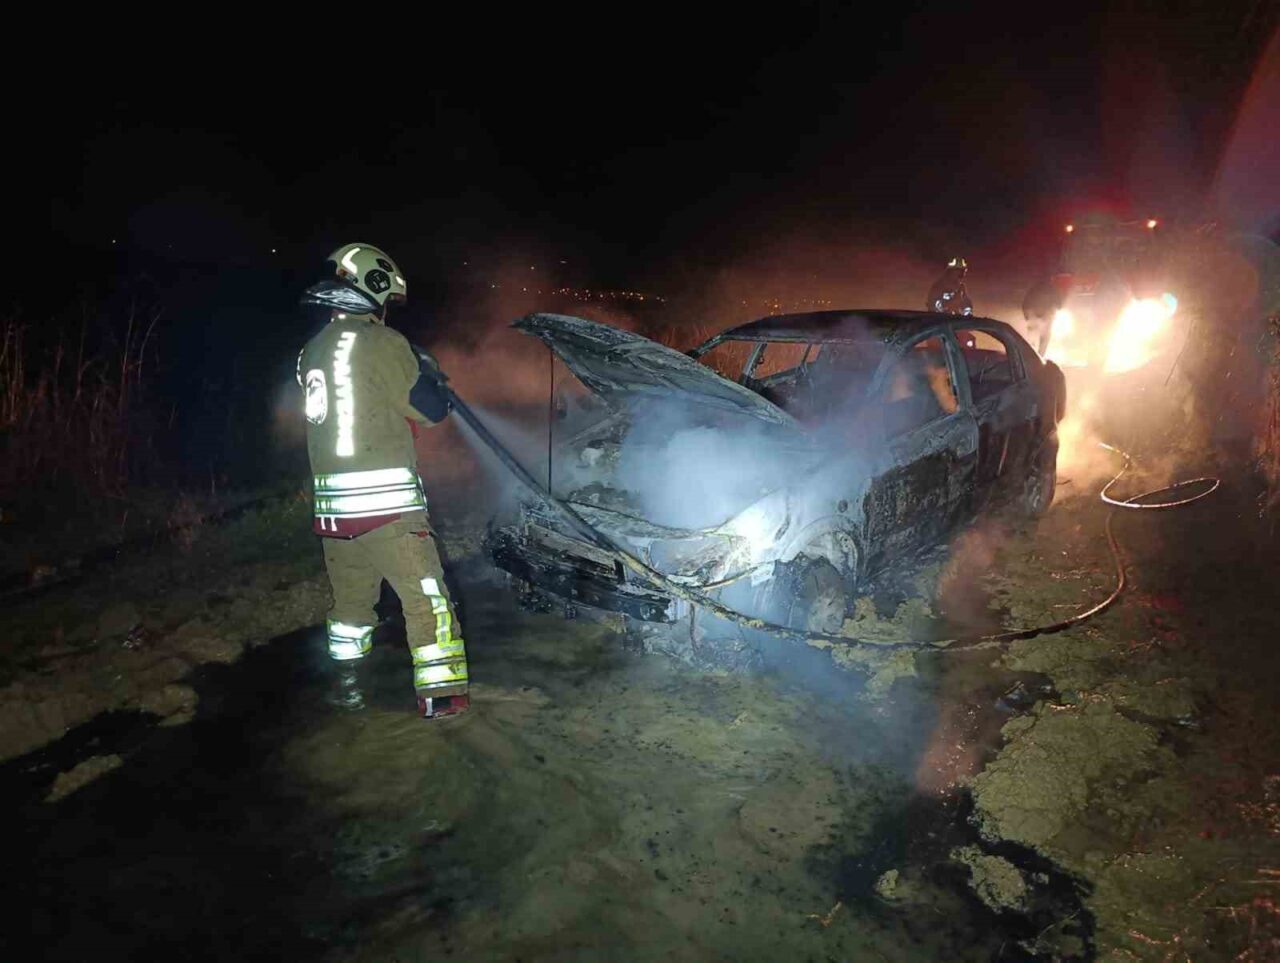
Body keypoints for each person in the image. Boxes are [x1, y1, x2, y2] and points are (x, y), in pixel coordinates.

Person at [296, 243, 468, 719]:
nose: (387, 308)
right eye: (387, 297)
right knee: (429, 604)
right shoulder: (383, 343)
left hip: (332, 514)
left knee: (351, 610)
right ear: (373, 286)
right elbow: (428, 411)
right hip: (385, 508)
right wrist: (433, 384)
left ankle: (348, 693)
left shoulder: (312, 350)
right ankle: (445, 705)